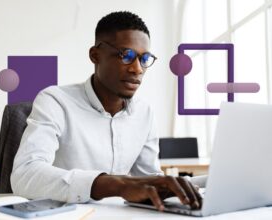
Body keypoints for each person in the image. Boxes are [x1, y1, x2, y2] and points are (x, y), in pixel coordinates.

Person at [11, 11, 202, 211]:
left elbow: (146, 179)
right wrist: (116, 185)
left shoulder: (144, 113)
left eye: (144, 58)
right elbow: (25, 175)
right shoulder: (55, 101)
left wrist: (172, 190)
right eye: (126, 55)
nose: (137, 69)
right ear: (95, 55)